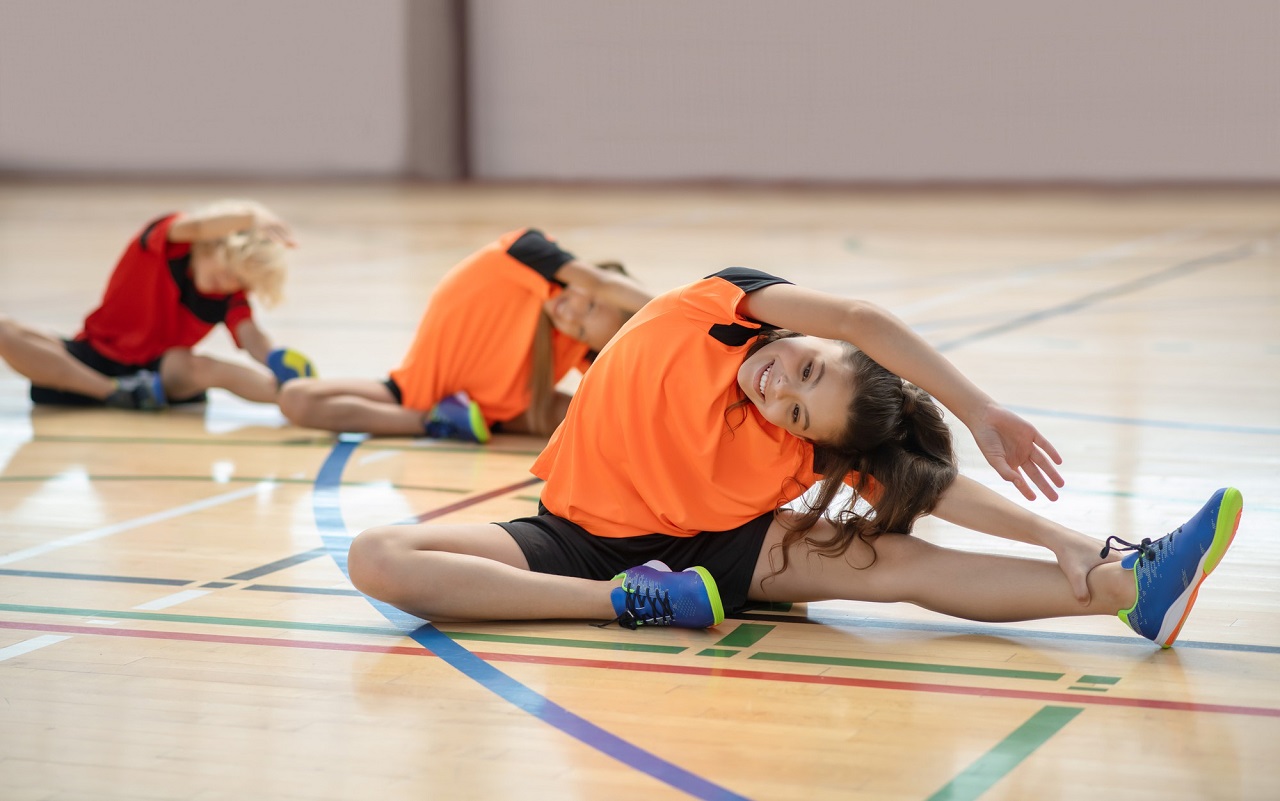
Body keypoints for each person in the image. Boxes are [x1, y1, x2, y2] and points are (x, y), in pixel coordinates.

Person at [346, 267, 1242, 649]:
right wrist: (978, 406)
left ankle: (1134, 588)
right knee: (378, 556)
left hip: (717, 553)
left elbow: (930, 490)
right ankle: (625, 604)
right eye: (806, 368)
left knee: (898, 566)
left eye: (800, 409)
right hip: (572, 542)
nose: (781, 389)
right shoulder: (714, 307)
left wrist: (1063, 537)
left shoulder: (794, 440)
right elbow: (860, 319)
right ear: (810, 337)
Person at [278, 228, 652, 441]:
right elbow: (599, 281)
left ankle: (454, 421)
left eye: (583, 330)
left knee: (610, 420)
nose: (571, 319)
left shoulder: (571, 340)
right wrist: (672, 312)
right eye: (587, 307)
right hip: (414, 393)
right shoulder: (526, 251)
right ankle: (436, 421)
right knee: (297, 398)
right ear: (599, 284)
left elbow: (628, 389)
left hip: (499, 415)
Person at [0, 199, 315, 411]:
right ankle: (113, 392)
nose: (231, 285)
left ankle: (299, 396)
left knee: (201, 365)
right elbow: (198, 225)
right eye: (229, 271)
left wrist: (273, 358)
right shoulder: (163, 243)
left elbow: (250, 336)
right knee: (5, 330)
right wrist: (251, 216)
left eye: (242, 283)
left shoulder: (227, 297)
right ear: (213, 246)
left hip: (158, 379)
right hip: (94, 356)